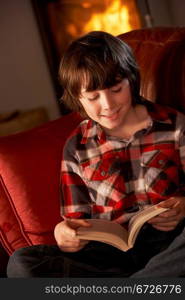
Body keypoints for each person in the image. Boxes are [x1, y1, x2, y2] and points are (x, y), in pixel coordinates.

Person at [7, 31, 185, 278]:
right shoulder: (76, 146)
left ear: (131, 80)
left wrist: (183, 206)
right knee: (22, 262)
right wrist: (64, 233)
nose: (108, 105)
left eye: (115, 89)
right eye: (93, 97)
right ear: (77, 99)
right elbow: (76, 221)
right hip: (110, 257)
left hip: (169, 244)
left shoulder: (174, 125)